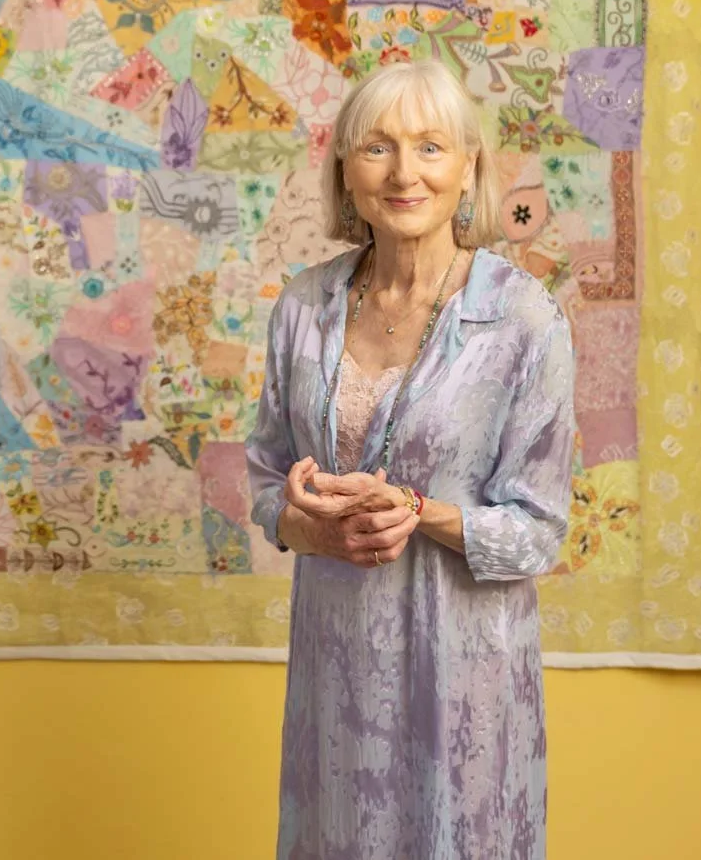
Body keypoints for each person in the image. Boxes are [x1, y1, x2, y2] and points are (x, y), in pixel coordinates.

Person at [246, 58, 577, 859]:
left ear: (469, 169)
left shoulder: (524, 318)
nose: (404, 172)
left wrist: (418, 512)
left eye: (431, 147)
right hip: (336, 671)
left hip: (466, 683)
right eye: (377, 147)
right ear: (345, 172)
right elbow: (262, 474)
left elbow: (539, 531)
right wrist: (302, 524)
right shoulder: (303, 308)